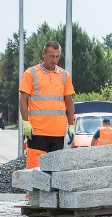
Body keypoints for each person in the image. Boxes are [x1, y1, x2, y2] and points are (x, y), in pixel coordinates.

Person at [19, 41, 75, 169]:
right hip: (37, 131)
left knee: (54, 173)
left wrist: (71, 125)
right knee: (34, 170)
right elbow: (23, 99)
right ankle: (33, 191)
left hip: (58, 132)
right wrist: (25, 122)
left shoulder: (64, 75)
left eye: (57, 56)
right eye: (51, 56)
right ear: (43, 54)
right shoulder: (30, 73)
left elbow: (69, 101)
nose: (54, 60)